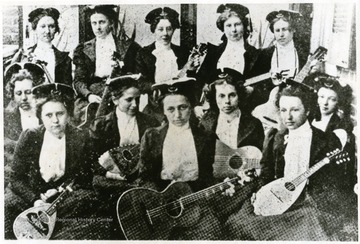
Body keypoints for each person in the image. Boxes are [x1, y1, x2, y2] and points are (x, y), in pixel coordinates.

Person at [224, 83, 356, 241]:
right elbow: (267, 175)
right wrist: (263, 195)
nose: (288, 117)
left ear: (307, 110)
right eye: (283, 110)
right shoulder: (275, 137)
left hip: (310, 204)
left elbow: (334, 183)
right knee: (238, 223)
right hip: (278, 199)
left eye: (295, 110)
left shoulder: (326, 141)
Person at [4, 83, 103, 240]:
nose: (55, 121)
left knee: (88, 205)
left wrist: (60, 190)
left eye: (60, 114)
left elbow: (85, 177)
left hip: (62, 197)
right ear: (41, 116)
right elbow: (16, 179)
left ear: (68, 114)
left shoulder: (79, 137)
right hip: (32, 194)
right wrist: (35, 199)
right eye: (49, 115)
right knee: (6, 206)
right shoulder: (30, 136)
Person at [137, 78, 222, 240]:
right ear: (163, 111)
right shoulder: (152, 136)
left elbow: (209, 176)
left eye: (182, 107)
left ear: (190, 108)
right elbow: (144, 177)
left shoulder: (206, 138)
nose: (177, 115)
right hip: (160, 204)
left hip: (195, 201)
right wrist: (159, 199)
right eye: (171, 109)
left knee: (211, 233)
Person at [88, 74, 160, 239]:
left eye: (137, 99)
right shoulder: (101, 125)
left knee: (149, 191)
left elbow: (156, 157)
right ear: (115, 100)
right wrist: (112, 174)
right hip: (111, 179)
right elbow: (92, 161)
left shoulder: (150, 122)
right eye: (129, 100)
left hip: (140, 178)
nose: (134, 104)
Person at [199, 68, 264, 222]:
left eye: (232, 95)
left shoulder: (253, 124)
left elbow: (261, 160)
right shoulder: (206, 123)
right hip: (214, 186)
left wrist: (251, 174)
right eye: (221, 96)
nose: (227, 102)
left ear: (239, 95)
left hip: (245, 186)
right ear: (214, 97)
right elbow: (202, 164)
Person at [73, 5, 141, 124]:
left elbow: (133, 75)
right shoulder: (83, 49)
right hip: (94, 94)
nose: (98, 27)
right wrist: (89, 95)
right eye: (94, 23)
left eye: (102, 22)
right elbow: (79, 81)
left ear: (111, 23)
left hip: (120, 92)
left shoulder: (127, 47)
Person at [194, 4, 263, 118]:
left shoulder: (255, 55)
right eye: (228, 25)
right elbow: (199, 81)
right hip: (212, 111)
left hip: (243, 110)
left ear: (244, 25)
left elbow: (261, 87)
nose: (233, 30)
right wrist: (197, 105)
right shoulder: (214, 53)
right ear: (223, 28)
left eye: (237, 24)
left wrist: (251, 91)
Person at [251, 10, 307, 129]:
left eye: (285, 29)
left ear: (293, 30)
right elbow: (254, 83)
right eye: (277, 30)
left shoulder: (303, 53)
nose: (281, 34)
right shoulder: (265, 54)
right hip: (270, 107)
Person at [135, 7, 189, 122]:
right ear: (154, 30)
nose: (165, 33)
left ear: (173, 30)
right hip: (155, 103)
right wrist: (154, 88)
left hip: (179, 100)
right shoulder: (144, 53)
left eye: (169, 29)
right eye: (160, 29)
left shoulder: (182, 52)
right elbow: (140, 82)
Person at [4, 63, 45, 185]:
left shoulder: (46, 115)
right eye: (19, 93)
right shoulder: (7, 118)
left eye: (28, 92)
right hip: (16, 176)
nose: (24, 98)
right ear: (12, 94)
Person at [12, 7, 72, 84]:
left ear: (56, 29)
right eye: (43, 26)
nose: (47, 31)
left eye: (51, 26)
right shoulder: (25, 56)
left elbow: (66, 90)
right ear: (35, 29)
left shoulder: (64, 59)